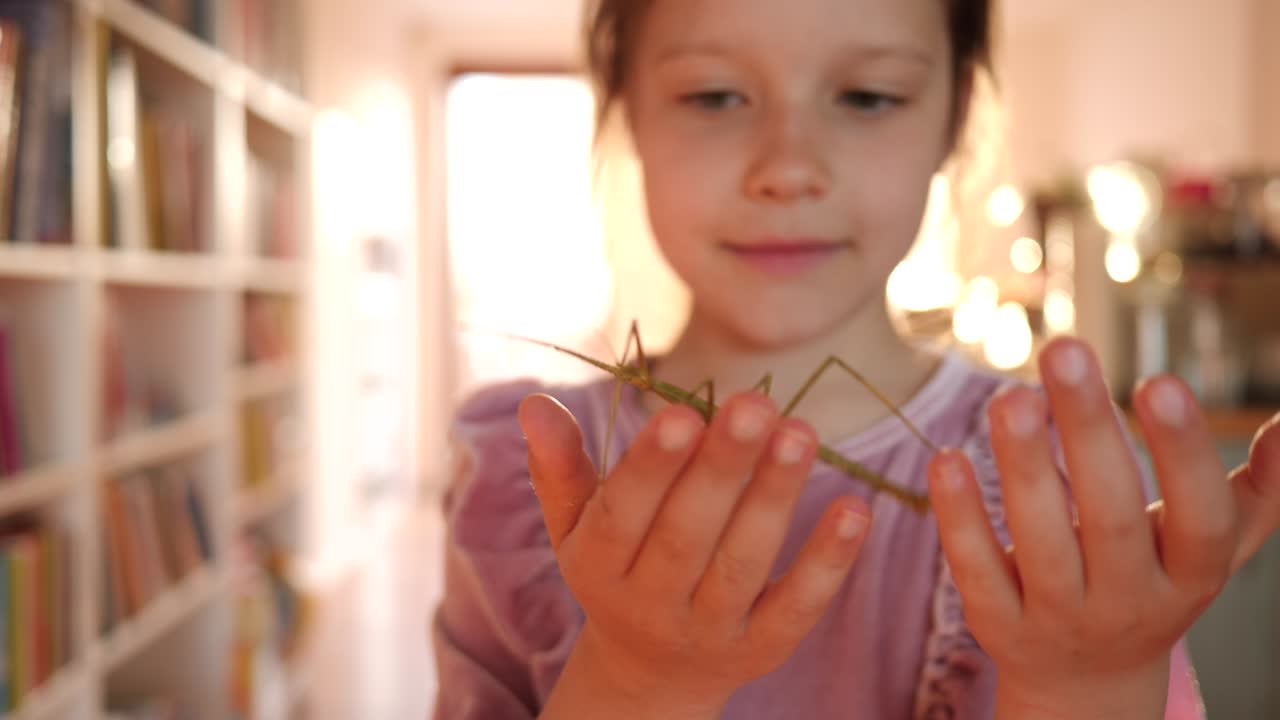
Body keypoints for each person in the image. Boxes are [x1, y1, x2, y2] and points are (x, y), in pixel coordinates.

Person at [431, 0, 1280, 717]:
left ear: (954, 117)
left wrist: (1094, 686)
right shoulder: (532, 478)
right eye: (714, 94)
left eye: (869, 95)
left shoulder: (1056, 476)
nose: (789, 170)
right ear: (626, 112)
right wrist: (632, 678)